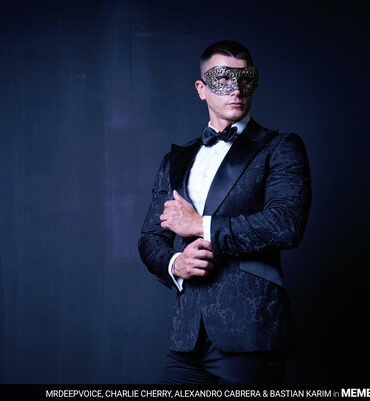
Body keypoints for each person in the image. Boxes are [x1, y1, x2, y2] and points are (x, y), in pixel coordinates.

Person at [138, 40, 312, 384]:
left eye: (245, 79)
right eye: (223, 79)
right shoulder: (176, 160)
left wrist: (199, 225)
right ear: (201, 88)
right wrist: (175, 264)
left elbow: (286, 224)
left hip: (252, 333)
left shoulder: (280, 147)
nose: (236, 89)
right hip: (188, 338)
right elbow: (150, 238)